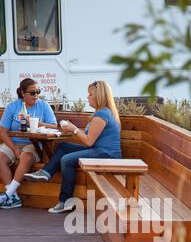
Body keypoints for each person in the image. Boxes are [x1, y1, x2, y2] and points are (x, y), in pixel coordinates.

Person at [24, 80, 121, 213]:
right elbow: (89, 138)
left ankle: (65, 202)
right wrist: (70, 130)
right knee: (63, 147)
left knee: (67, 160)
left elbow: (88, 141)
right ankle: (46, 173)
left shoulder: (102, 115)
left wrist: (74, 129)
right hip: (99, 150)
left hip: (107, 154)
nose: (87, 97)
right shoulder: (103, 113)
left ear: (99, 96)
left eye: (90, 95)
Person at [0, 78, 57, 209]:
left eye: (38, 92)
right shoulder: (13, 106)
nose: (36, 95)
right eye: (32, 93)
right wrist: (14, 149)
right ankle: (14, 197)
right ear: (23, 93)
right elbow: (3, 132)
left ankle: (7, 194)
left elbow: (54, 126)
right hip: (13, 142)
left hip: (33, 144)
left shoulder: (43, 106)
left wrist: (39, 124)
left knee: (26, 157)